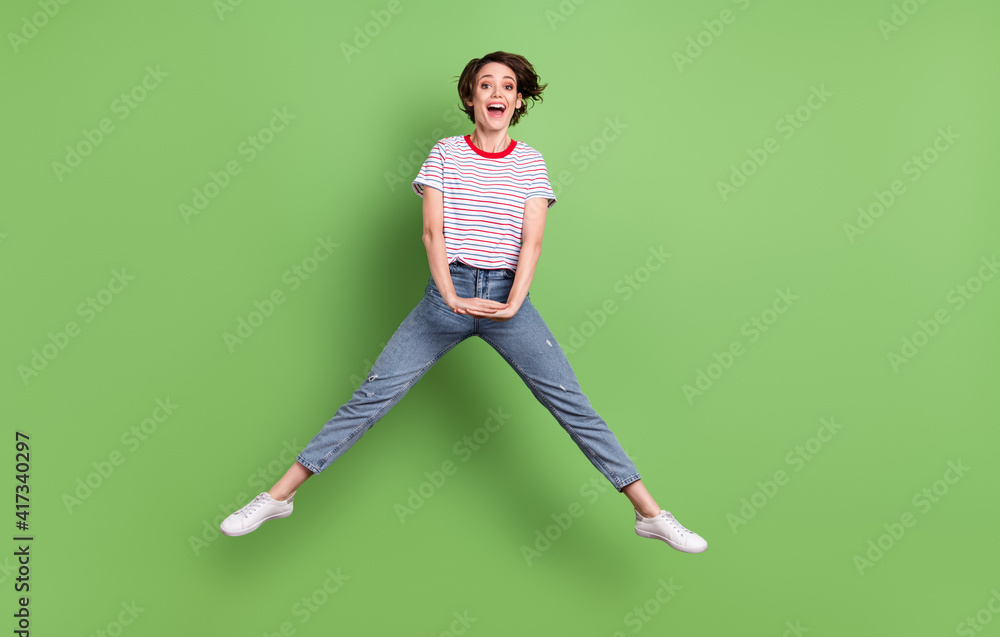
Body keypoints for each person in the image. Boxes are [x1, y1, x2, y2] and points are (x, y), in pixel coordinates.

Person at [219, 51, 707, 554]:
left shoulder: (529, 161)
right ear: (471, 97)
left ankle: (651, 515)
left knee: (571, 403)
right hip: (445, 294)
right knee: (370, 398)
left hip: (506, 298)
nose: (497, 94)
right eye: (486, 85)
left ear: (518, 101)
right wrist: (448, 295)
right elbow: (433, 231)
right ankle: (277, 497)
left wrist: (514, 302)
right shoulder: (447, 153)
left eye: (507, 87)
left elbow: (532, 242)